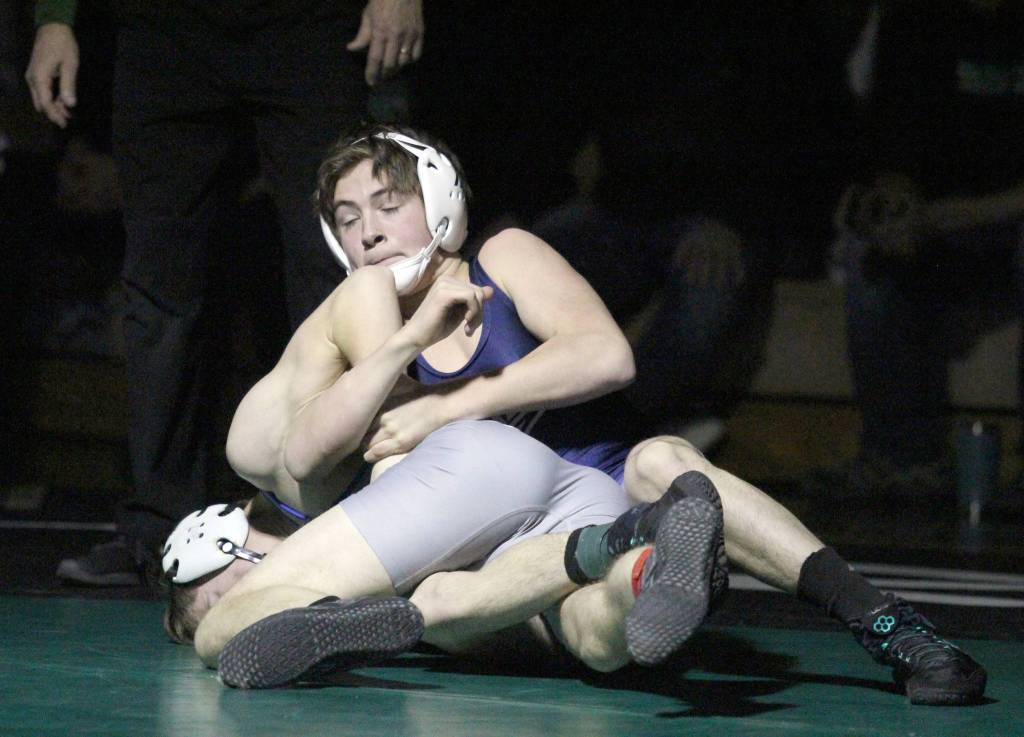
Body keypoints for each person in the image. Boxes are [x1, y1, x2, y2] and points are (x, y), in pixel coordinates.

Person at [276, 123, 981, 705]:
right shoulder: (368, 346)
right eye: (348, 217)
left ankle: (885, 620)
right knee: (571, 626)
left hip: (611, 491)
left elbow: (607, 355)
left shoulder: (502, 256)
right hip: (525, 571)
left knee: (663, 459)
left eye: (388, 203)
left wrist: (448, 406)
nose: (368, 231)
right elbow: (297, 462)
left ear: (438, 200)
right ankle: (661, 579)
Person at [24, 0, 426, 585]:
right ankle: (156, 531)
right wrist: (55, 19)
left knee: (336, 272)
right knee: (159, 287)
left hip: (309, 29)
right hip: (166, 31)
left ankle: (350, 519)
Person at [163, 441, 725, 688]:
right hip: (568, 525)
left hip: (476, 479)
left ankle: (628, 537)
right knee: (598, 642)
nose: (247, 597)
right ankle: (642, 551)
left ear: (231, 540)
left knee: (220, 637)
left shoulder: (312, 492)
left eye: (222, 589)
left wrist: (224, 616)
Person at [811, 0, 1024, 501]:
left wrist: (945, 216)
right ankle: (904, 457)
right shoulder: (916, 20)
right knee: (872, 253)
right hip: (937, 222)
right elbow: (888, 138)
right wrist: (897, 200)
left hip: (1004, 219)